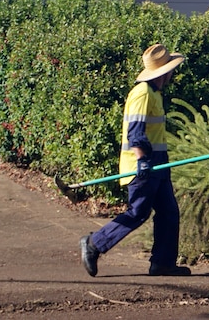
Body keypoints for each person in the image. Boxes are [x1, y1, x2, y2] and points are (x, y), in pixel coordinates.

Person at [79, 43, 191, 277]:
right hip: (142, 165)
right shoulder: (142, 94)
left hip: (158, 164)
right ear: (165, 71)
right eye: (171, 69)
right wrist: (142, 161)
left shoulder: (156, 94)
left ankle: (162, 263)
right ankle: (94, 244)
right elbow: (135, 132)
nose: (173, 73)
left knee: (169, 212)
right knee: (138, 212)